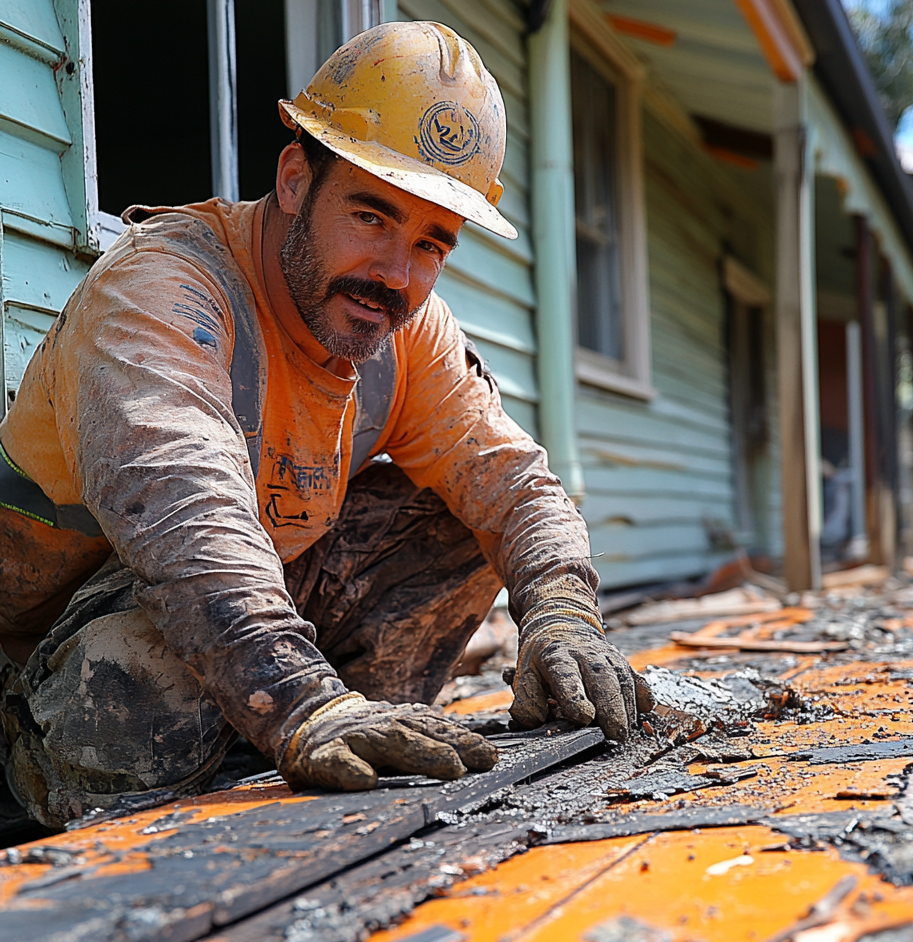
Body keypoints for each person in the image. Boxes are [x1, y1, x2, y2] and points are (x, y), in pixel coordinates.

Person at [0, 21, 638, 830]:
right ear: (296, 178)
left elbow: (512, 481)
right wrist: (301, 704)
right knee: (139, 675)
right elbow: (182, 517)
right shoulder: (164, 287)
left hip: (251, 594)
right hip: (59, 630)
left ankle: (350, 736)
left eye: (431, 243)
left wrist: (561, 612)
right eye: (371, 217)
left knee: (461, 516)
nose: (396, 276)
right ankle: (39, 761)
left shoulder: (406, 330)